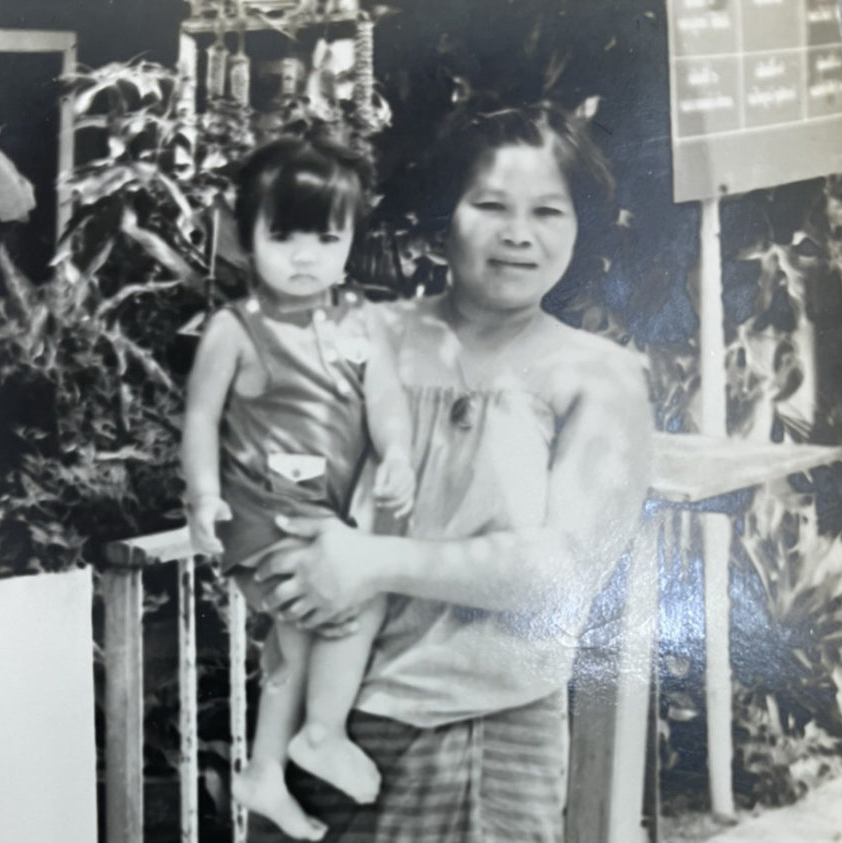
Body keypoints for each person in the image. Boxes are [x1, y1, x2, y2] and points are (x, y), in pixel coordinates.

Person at [247, 101, 655, 842]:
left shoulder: (599, 377)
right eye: (490, 205)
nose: (518, 235)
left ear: (579, 226)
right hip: (318, 716)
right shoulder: (366, 336)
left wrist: (370, 561)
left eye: (547, 212)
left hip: (478, 732)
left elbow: (557, 573)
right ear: (446, 215)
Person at [181, 136, 417, 842]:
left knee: (293, 649)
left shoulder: (361, 322)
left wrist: (398, 452)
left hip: (326, 514)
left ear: (350, 242)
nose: (304, 254)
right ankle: (321, 731)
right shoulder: (234, 328)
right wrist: (202, 495)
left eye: (326, 236)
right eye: (283, 235)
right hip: (264, 514)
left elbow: (387, 401)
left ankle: (263, 774)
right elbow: (199, 415)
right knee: (352, 604)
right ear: (246, 237)